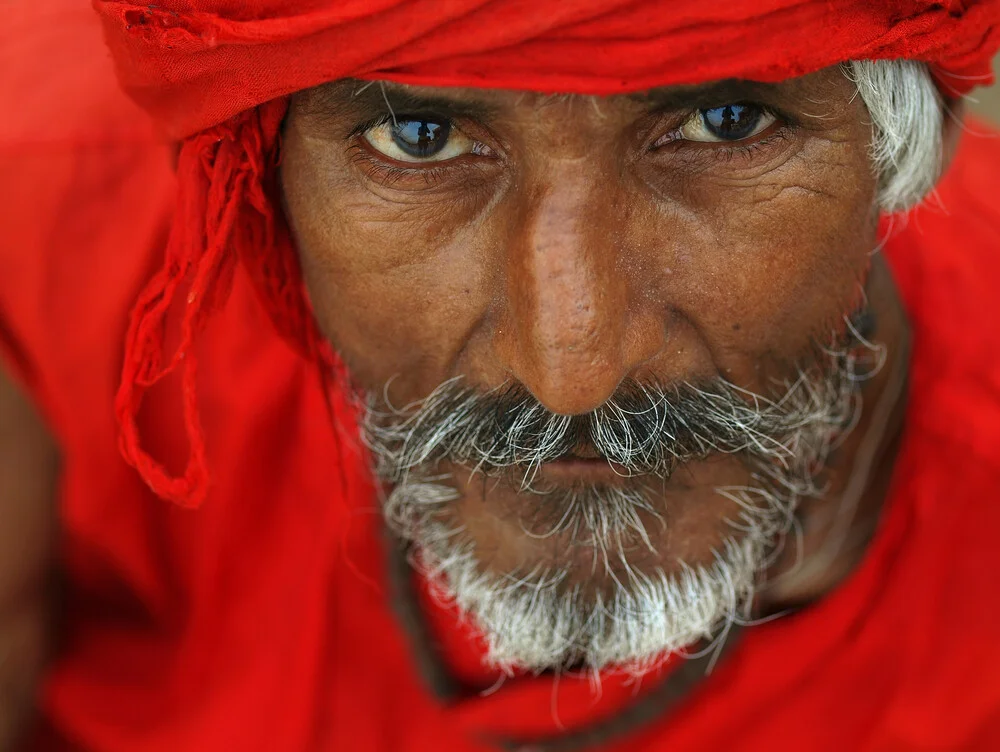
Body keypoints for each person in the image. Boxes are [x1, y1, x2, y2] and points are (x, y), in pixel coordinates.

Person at [2, 0, 1000, 749]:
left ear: (913, 151)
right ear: (259, 173)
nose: (572, 370)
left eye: (726, 124)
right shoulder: (43, 222)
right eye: (420, 137)